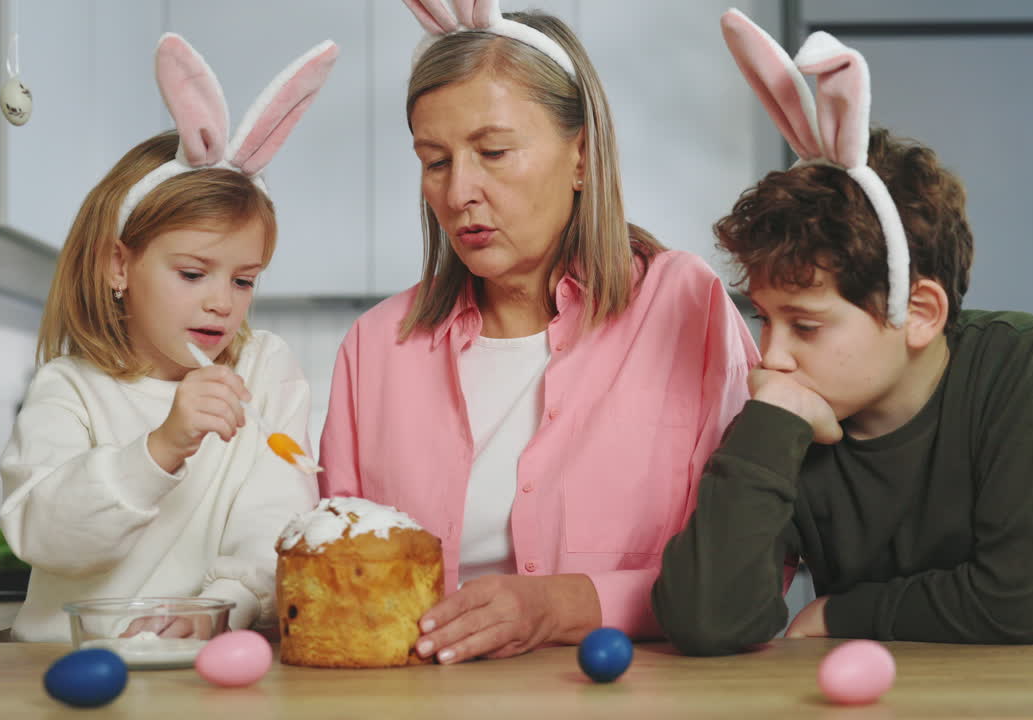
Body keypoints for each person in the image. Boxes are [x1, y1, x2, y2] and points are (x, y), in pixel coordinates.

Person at [651, 10, 1033, 658]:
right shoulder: (789, 411)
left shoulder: (1022, 363)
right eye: (765, 318)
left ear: (920, 313)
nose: (770, 355)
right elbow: (705, 620)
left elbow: (1025, 601)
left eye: (806, 325)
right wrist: (765, 431)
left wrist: (840, 612)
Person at [318, 1, 758, 665]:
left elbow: (752, 567)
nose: (460, 190)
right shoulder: (376, 346)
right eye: (435, 161)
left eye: (493, 152)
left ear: (581, 156)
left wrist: (562, 605)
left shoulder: (685, 306)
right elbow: (333, 571)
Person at [0, 34, 340, 642]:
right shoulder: (70, 387)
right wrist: (161, 448)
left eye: (243, 280)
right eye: (192, 273)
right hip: (60, 663)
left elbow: (276, 516)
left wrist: (223, 605)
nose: (221, 301)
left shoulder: (264, 370)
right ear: (118, 266)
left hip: (201, 658)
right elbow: (45, 535)